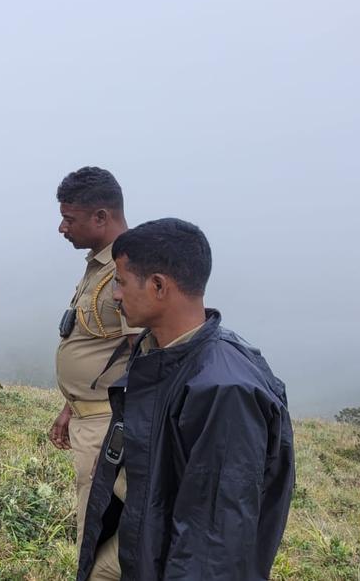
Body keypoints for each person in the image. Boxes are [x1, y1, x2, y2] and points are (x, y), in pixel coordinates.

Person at [77, 218, 295, 581]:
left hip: (165, 559)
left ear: (159, 286)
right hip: (136, 543)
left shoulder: (224, 390)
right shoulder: (157, 351)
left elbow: (213, 544)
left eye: (121, 282)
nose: (115, 295)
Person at [51, 167, 142, 549]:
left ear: (101, 217)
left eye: (69, 219)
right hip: (91, 417)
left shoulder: (129, 269)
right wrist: (71, 406)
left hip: (111, 428)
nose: (61, 228)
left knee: (101, 541)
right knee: (93, 532)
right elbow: (101, 347)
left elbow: (143, 355)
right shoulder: (99, 264)